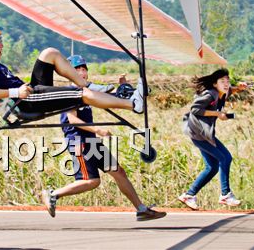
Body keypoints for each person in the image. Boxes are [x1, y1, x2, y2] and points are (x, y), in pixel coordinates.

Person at [40, 55, 166, 221]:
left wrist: (122, 87)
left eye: (84, 70)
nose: (82, 73)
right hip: (78, 141)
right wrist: (97, 129)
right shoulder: (69, 93)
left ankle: (141, 209)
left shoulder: (86, 92)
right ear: (69, 73)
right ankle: (53, 194)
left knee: (119, 172)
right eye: (77, 70)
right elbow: (73, 120)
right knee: (91, 181)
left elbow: (111, 99)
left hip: (90, 140)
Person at [0, 23, 144, 116]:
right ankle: (133, 104)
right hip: (29, 100)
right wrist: (16, 92)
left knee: (50, 53)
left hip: (31, 91)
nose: (2, 44)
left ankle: (88, 84)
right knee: (80, 94)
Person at [178, 68, 248, 210]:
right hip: (199, 133)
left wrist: (239, 88)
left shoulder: (223, 93)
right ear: (215, 84)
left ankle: (189, 195)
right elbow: (194, 109)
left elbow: (230, 91)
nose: (226, 83)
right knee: (225, 158)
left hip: (202, 134)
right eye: (222, 81)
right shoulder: (210, 94)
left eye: (227, 80)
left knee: (212, 167)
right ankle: (225, 194)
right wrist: (217, 113)